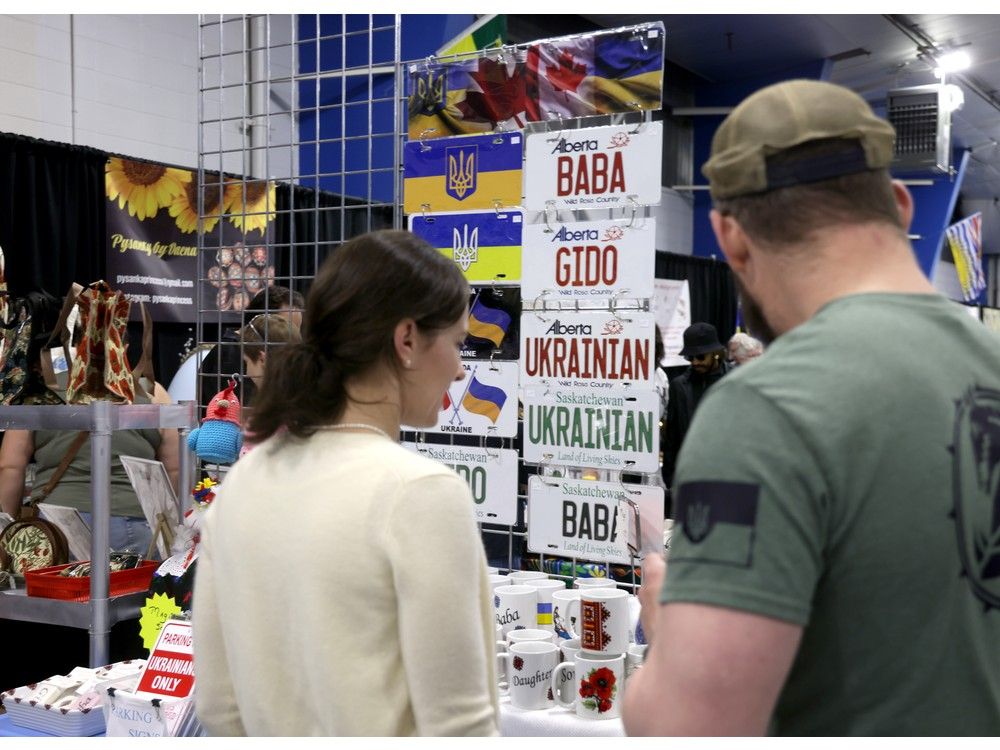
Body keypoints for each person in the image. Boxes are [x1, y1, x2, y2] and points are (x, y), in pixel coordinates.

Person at [622, 80, 1000, 736]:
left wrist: (665, 634)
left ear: (730, 240)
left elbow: (691, 731)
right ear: (903, 207)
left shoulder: (768, 409)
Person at [192, 229, 499, 736]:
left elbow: (220, 707)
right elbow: (460, 729)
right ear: (406, 341)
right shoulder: (419, 493)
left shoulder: (246, 480)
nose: (462, 369)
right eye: (457, 343)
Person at [198, 284, 304, 413]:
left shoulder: (237, 349)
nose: (294, 338)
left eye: (297, 330)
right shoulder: (230, 353)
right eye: (286, 328)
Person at [661, 322, 729, 496]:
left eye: (700, 357)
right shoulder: (680, 386)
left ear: (715, 354)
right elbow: (673, 436)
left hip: (727, 473)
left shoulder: (734, 381)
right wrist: (670, 478)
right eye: (690, 358)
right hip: (691, 475)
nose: (695, 362)